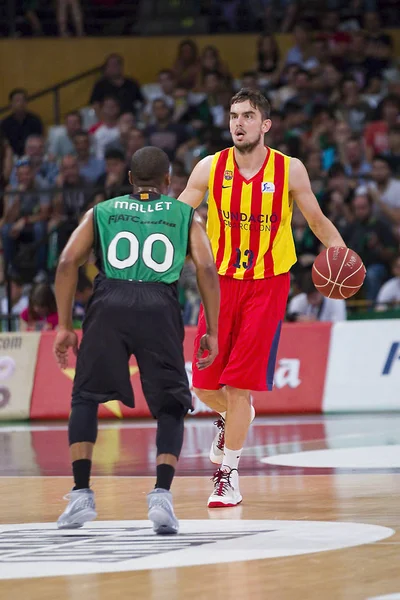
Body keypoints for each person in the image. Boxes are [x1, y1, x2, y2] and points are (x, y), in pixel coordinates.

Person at [178, 88, 346, 508]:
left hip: (268, 283)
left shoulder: (289, 170)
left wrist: (339, 249)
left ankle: (227, 476)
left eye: (248, 116)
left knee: (238, 386)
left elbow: (316, 218)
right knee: (203, 384)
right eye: (234, 115)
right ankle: (234, 419)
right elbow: (177, 215)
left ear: (265, 124)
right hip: (220, 283)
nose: (239, 123)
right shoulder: (209, 167)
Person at [53, 146, 219, 534]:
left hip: (109, 302)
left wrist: (64, 325)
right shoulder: (184, 214)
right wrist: (212, 328)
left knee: (85, 397)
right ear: (168, 182)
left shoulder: (102, 211)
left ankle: (81, 495)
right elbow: (207, 268)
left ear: (129, 179)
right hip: (158, 305)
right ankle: (161, 493)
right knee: (171, 404)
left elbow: (65, 263)